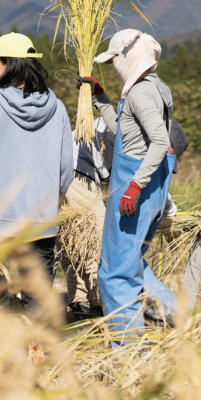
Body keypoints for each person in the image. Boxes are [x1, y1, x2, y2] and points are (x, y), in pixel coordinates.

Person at [0, 33, 73, 309]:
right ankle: (36, 350)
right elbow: (66, 168)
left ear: (6, 64)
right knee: (38, 297)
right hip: (42, 220)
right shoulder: (57, 109)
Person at [79, 28, 178, 346]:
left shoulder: (138, 93)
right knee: (131, 261)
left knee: (114, 272)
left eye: (115, 61)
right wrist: (101, 99)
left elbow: (161, 141)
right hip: (153, 186)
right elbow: (127, 132)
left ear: (129, 58)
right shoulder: (156, 87)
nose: (113, 67)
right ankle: (179, 315)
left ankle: (128, 353)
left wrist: (134, 186)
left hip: (136, 187)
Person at [60, 117, 114, 321]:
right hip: (81, 177)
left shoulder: (99, 122)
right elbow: (113, 175)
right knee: (95, 245)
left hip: (60, 179)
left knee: (73, 243)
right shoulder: (116, 128)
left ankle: (79, 304)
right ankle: (104, 307)